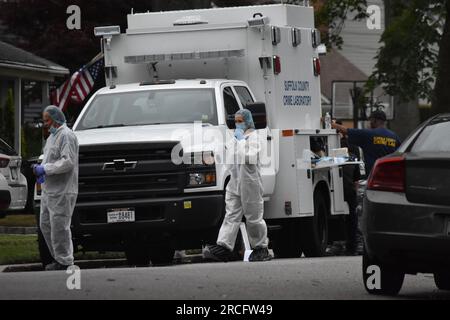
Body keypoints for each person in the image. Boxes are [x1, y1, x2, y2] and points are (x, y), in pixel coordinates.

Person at [203, 109, 271, 262]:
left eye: (240, 121)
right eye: (236, 121)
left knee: (253, 217)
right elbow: (228, 158)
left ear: (248, 121)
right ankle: (224, 246)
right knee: (231, 215)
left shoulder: (254, 138)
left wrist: (240, 141)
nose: (237, 124)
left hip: (250, 183)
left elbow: (250, 157)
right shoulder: (234, 138)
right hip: (235, 183)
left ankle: (261, 248)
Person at [32, 105, 79, 271]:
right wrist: (41, 169)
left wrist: (45, 169)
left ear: (56, 118)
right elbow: (51, 159)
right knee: (46, 225)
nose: (45, 124)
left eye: (47, 120)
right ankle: (57, 258)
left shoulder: (67, 136)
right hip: (49, 190)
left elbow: (68, 162)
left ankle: (65, 261)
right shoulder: (52, 137)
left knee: (60, 226)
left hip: (63, 190)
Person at [331, 110, 401, 175]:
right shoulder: (394, 136)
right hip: (391, 174)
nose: (370, 123)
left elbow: (346, 130)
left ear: (374, 120)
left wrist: (330, 123)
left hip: (374, 174)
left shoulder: (368, 134)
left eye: (370, 120)